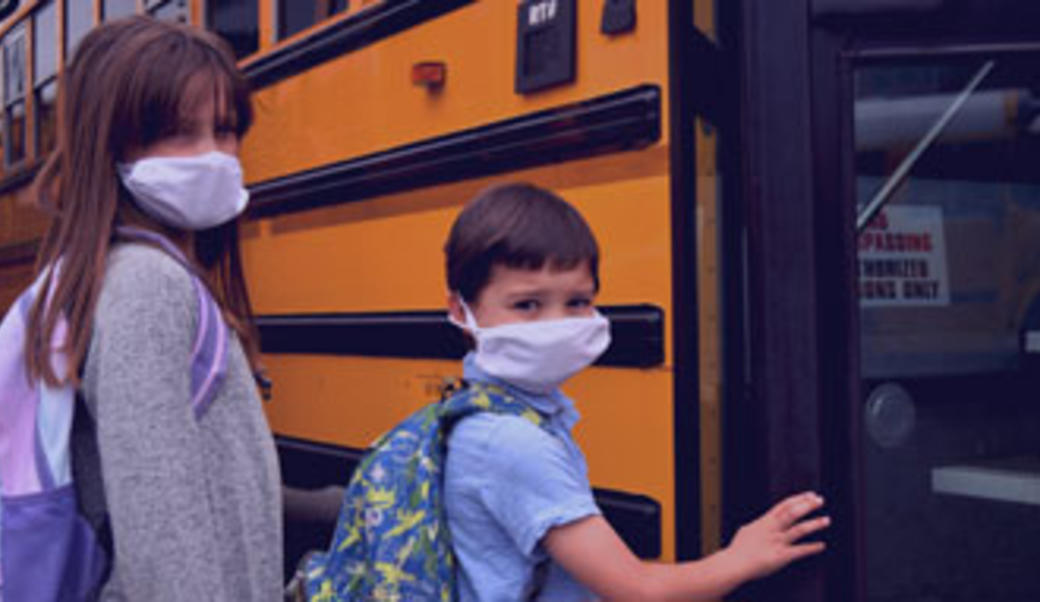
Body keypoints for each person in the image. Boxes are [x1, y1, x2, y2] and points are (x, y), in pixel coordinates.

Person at [443, 183, 829, 601]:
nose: (555, 323)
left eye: (577, 302)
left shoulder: (487, 415)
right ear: (460, 311)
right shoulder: (510, 443)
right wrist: (742, 557)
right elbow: (640, 592)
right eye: (527, 305)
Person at [24, 16, 282, 601]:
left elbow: (195, 476)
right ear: (111, 144)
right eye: (177, 133)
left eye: (224, 130)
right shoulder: (149, 285)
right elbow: (162, 539)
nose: (212, 155)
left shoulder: (113, 272)